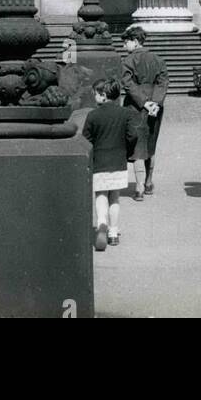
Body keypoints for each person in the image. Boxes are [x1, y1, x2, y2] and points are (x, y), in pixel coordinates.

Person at [82, 78, 139, 251]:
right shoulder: (126, 114)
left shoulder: (93, 115)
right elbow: (133, 136)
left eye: (95, 94)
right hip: (118, 161)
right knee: (114, 197)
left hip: (99, 162)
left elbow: (86, 139)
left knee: (100, 195)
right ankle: (113, 232)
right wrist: (127, 152)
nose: (94, 97)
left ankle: (101, 223)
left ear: (103, 95)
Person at [120, 26, 168, 201]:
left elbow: (128, 84)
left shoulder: (128, 61)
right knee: (151, 144)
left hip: (135, 107)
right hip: (156, 107)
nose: (124, 46)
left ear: (135, 41)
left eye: (126, 42)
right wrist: (155, 102)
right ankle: (148, 182)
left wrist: (144, 102)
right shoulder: (158, 59)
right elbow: (163, 82)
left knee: (137, 147)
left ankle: (139, 187)